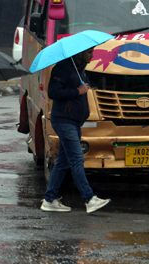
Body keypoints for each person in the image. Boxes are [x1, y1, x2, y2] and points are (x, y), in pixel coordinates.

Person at [40, 48, 111, 214]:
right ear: (79, 54)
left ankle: (49, 199)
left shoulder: (79, 70)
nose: (91, 56)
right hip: (64, 120)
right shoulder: (63, 68)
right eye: (88, 53)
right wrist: (77, 91)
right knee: (77, 158)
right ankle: (89, 198)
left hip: (74, 121)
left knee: (64, 162)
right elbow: (53, 92)